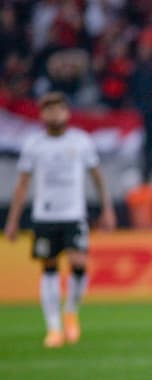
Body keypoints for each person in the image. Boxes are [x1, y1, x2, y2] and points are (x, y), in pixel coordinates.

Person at [3, 91, 116, 348]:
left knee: (78, 263)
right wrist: (13, 220)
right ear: (42, 115)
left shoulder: (80, 142)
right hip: (45, 215)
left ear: (66, 112)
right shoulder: (34, 145)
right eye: (48, 110)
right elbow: (22, 185)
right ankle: (53, 328)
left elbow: (97, 176)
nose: (54, 114)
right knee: (49, 267)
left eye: (58, 109)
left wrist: (106, 208)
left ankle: (71, 312)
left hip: (74, 214)